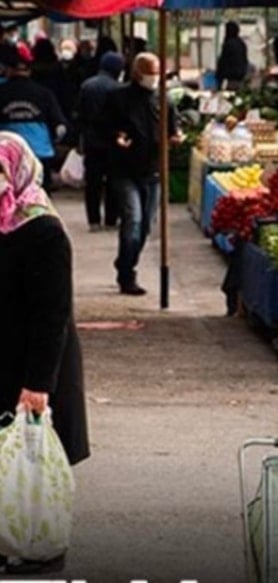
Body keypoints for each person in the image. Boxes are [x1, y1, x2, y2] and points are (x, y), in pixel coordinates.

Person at [0, 131, 89, 575]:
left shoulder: (43, 229)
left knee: (30, 463)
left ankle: (39, 545)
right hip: (4, 357)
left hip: (34, 367)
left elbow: (53, 316)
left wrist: (38, 386)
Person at [106, 52, 179, 296]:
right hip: (124, 171)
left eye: (157, 73)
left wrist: (175, 139)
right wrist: (117, 137)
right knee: (133, 222)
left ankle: (125, 262)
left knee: (146, 226)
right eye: (150, 73)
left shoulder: (164, 100)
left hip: (153, 171)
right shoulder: (118, 98)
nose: (154, 78)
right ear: (137, 74)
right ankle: (127, 274)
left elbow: (172, 131)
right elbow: (105, 127)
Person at [0, 42, 69, 193]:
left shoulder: (1, 92)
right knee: (40, 196)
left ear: (9, 70)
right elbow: (60, 126)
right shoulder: (44, 93)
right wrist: (55, 140)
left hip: (7, 154)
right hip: (40, 151)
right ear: (30, 71)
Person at [76, 51, 124, 231]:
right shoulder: (119, 89)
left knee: (93, 182)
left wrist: (79, 139)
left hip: (92, 141)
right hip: (113, 143)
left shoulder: (87, 86)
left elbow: (79, 114)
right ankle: (111, 218)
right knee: (113, 181)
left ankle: (93, 220)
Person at [216, 21, 249, 90]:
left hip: (231, 78)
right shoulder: (241, 43)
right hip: (241, 77)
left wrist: (219, 76)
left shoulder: (229, 44)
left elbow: (223, 61)